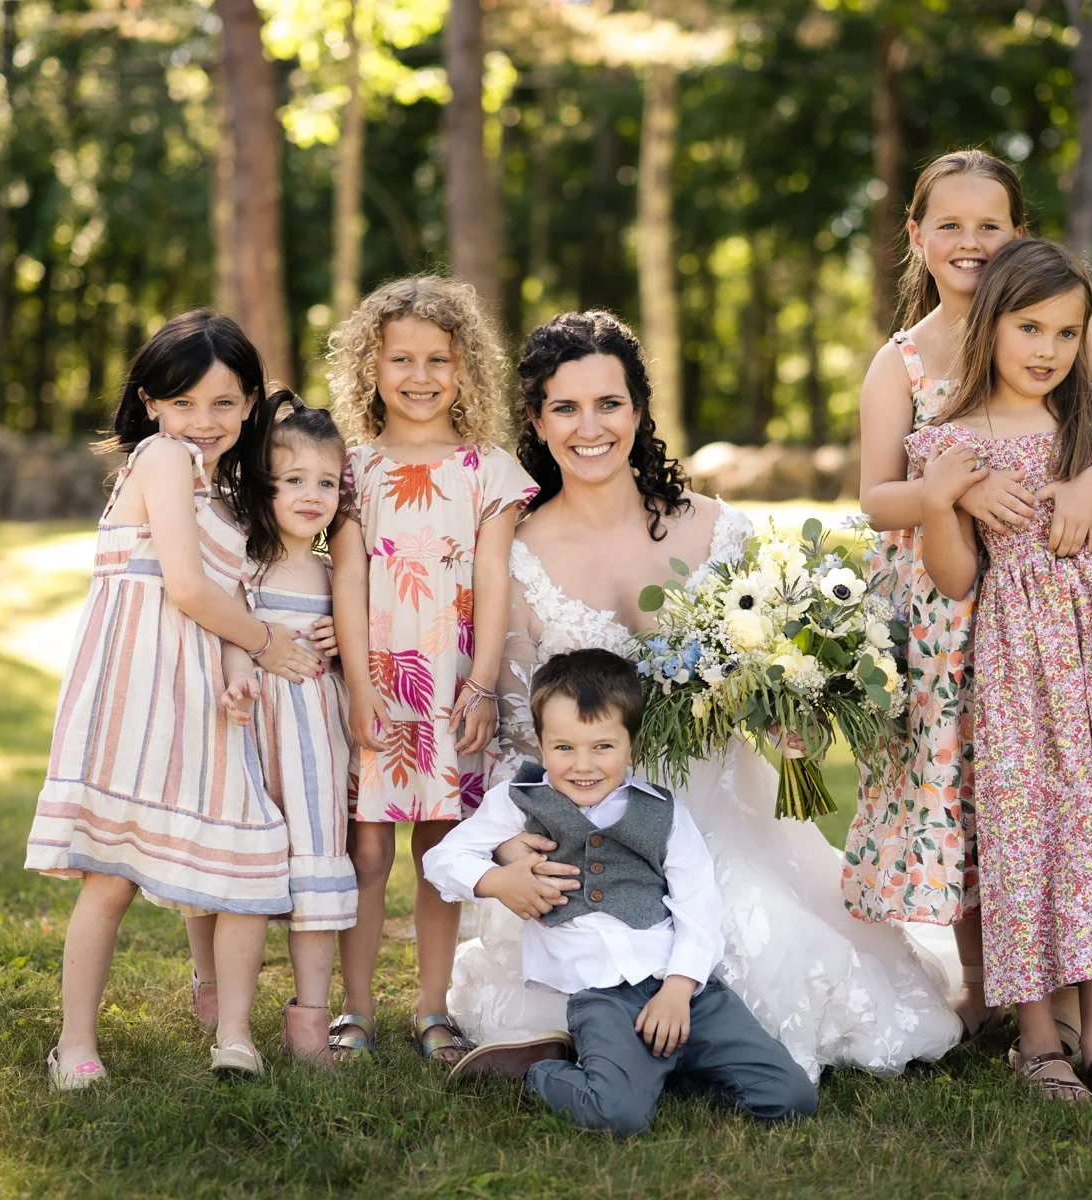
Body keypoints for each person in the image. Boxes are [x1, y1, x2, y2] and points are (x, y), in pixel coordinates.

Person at [447, 310, 962, 1081]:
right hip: (592, 824)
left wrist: (795, 713)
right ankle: (595, 1032)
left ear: (640, 408)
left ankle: (637, 1037)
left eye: (609, 404)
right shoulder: (514, 553)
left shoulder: (721, 532)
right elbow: (520, 735)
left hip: (721, 813)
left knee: (778, 956)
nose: (591, 428)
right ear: (536, 419)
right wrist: (513, 842)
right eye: (566, 407)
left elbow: (779, 661)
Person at [845, 148, 1092, 1051]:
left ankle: (1063, 996)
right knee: (967, 792)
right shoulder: (902, 362)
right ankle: (989, 988)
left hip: (1051, 603)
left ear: (1019, 234)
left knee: (1050, 785)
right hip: (948, 604)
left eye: (991, 225)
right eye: (948, 224)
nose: (970, 241)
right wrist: (959, 491)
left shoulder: (1070, 330)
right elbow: (876, 497)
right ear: (916, 236)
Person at [25, 311, 324, 1087]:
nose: (203, 421)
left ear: (253, 403)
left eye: (223, 404)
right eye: (183, 402)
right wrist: (266, 644)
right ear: (152, 404)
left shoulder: (229, 490)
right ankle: (76, 1043)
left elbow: (225, 594)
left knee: (246, 850)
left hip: (202, 695)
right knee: (111, 874)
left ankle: (233, 1033)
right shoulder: (159, 459)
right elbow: (187, 588)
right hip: (136, 688)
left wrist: (237, 661)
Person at [912, 238, 1092, 1103]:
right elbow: (956, 578)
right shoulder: (949, 441)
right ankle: (1037, 1040)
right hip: (1021, 669)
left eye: (1067, 333)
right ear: (989, 325)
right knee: (1026, 842)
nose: (1048, 350)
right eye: (1030, 327)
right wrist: (945, 499)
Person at [423, 650, 818, 1137]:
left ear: (631, 744)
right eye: (563, 747)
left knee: (792, 1098)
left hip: (686, 991)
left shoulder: (664, 813)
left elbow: (698, 905)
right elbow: (440, 860)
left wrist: (679, 987)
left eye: (602, 747)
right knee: (618, 1116)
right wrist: (498, 880)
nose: (583, 765)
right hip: (601, 996)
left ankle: (658, 1071)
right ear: (540, 743)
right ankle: (539, 1071)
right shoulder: (516, 802)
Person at [327, 276, 539, 1063]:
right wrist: (355, 685)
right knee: (369, 853)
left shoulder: (490, 469)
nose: (420, 377)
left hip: (453, 685)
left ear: (465, 368)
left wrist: (481, 684)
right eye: (401, 360)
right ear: (371, 368)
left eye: (439, 360)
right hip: (376, 685)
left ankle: (431, 1008)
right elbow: (347, 577)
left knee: (442, 850)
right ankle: (354, 1010)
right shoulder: (352, 469)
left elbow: (492, 582)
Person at [216, 388, 359, 1065]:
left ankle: (310, 1025)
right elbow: (225, 624)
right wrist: (240, 663)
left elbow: (356, 644)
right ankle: (229, 1021)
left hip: (313, 743)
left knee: (316, 873)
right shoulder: (248, 561)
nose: (312, 494)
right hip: (252, 730)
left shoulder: (336, 573)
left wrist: (341, 636)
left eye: (326, 481)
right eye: (293, 479)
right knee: (242, 878)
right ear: (263, 486)